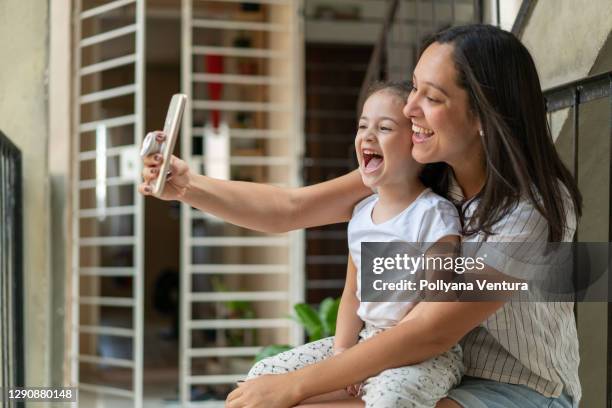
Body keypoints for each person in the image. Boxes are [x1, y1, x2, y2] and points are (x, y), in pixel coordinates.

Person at [140, 24, 582, 408]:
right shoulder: (423, 171)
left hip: (517, 389)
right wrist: (187, 185)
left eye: (432, 97)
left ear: (483, 115)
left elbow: (429, 331)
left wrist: (294, 387)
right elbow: (290, 208)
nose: (409, 109)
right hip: (422, 363)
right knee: (265, 386)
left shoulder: (533, 208)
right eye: (413, 88)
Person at [245, 81, 465, 408]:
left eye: (385, 127)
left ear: (417, 144)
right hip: (366, 340)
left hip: (424, 353)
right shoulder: (361, 215)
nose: (368, 135)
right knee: (264, 374)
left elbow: (431, 310)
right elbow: (352, 293)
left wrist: (368, 362)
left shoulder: (434, 216)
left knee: (391, 398)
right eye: (363, 126)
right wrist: (343, 356)